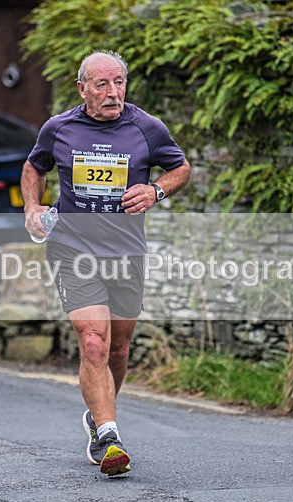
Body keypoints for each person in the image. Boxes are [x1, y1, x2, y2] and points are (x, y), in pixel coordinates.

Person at [20, 50, 190, 476]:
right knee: (94, 341)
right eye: (102, 84)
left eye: (118, 83)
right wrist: (31, 208)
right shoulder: (58, 129)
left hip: (126, 252)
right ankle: (109, 436)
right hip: (73, 248)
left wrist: (156, 192)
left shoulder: (147, 128)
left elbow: (180, 167)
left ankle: (98, 418)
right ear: (83, 89)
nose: (112, 92)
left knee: (118, 346)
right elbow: (33, 166)